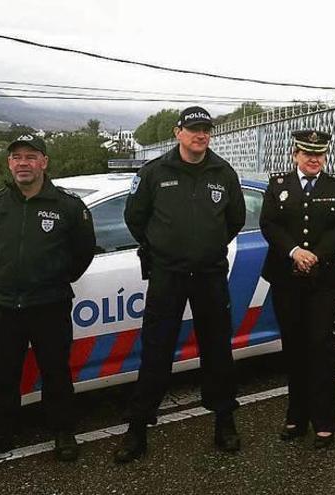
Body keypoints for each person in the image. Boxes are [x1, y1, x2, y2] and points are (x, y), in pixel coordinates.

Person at [114, 106, 246, 463]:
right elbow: (135, 218)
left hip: (209, 274)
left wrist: (205, 245)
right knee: (156, 351)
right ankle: (137, 430)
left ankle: (224, 421)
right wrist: (164, 249)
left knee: (218, 350)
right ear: (178, 133)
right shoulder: (155, 172)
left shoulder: (223, 172)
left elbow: (235, 220)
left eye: (205, 130)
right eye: (193, 129)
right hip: (167, 275)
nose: (200, 135)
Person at [0, 134, 95, 463]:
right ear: (9, 163)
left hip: (49, 305)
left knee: (55, 372)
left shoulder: (68, 206)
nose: (23, 163)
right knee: (2, 374)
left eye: (30, 156)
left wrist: (52, 279)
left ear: (44, 162)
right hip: (4, 305)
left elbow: (82, 253)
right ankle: (0, 433)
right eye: (16, 157)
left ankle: (63, 432)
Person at [259, 130, 335, 449]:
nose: (314, 159)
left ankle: (324, 421)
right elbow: (269, 224)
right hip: (287, 278)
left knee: (321, 348)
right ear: (295, 154)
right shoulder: (278, 185)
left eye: (319, 154)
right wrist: (294, 252)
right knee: (294, 348)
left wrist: (316, 255)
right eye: (307, 154)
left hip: (324, 279)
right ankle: (296, 417)